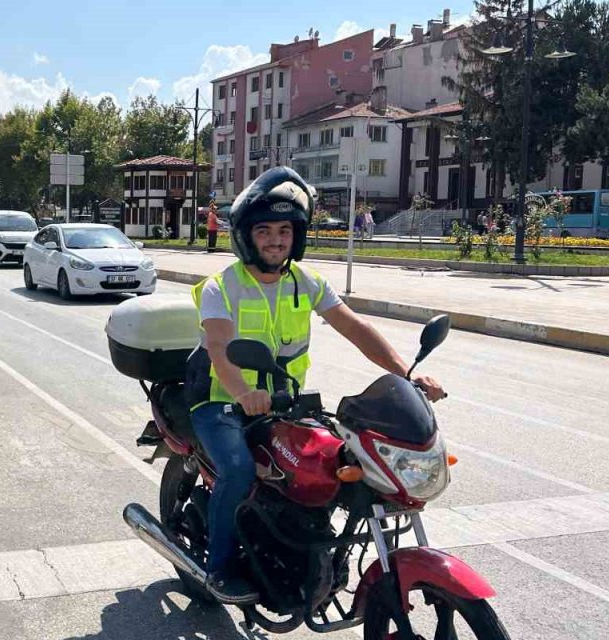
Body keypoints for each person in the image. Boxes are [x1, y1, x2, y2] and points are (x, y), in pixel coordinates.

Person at [185, 167, 447, 601]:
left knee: (340, 463)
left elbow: (356, 328)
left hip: (285, 404)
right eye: (264, 230)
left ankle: (305, 550)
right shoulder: (221, 287)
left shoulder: (306, 282)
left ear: (297, 235)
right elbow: (217, 346)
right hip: (221, 403)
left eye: (284, 230)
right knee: (238, 470)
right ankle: (218, 569)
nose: (275, 240)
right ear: (247, 236)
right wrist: (242, 394)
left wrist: (407, 374)